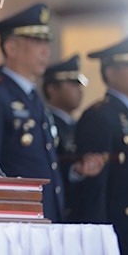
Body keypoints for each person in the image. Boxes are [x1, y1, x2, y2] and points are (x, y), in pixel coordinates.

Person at [0, 3, 64, 222]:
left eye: (46, 42)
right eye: (36, 42)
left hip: (44, 212)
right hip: (18, 218)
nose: (45, 51)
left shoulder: (32, 95)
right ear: (11, 48)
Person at [70, 32, 128, 255]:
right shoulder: (100, 116)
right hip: (120, 235)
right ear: (111, 72)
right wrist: (97, 241)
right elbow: (95, 189)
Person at [42, 55, 88, 191]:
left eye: (80, 85)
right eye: (73, 84)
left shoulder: (77, 124)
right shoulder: (47, 121)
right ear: (52, 89)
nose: (79, 90)